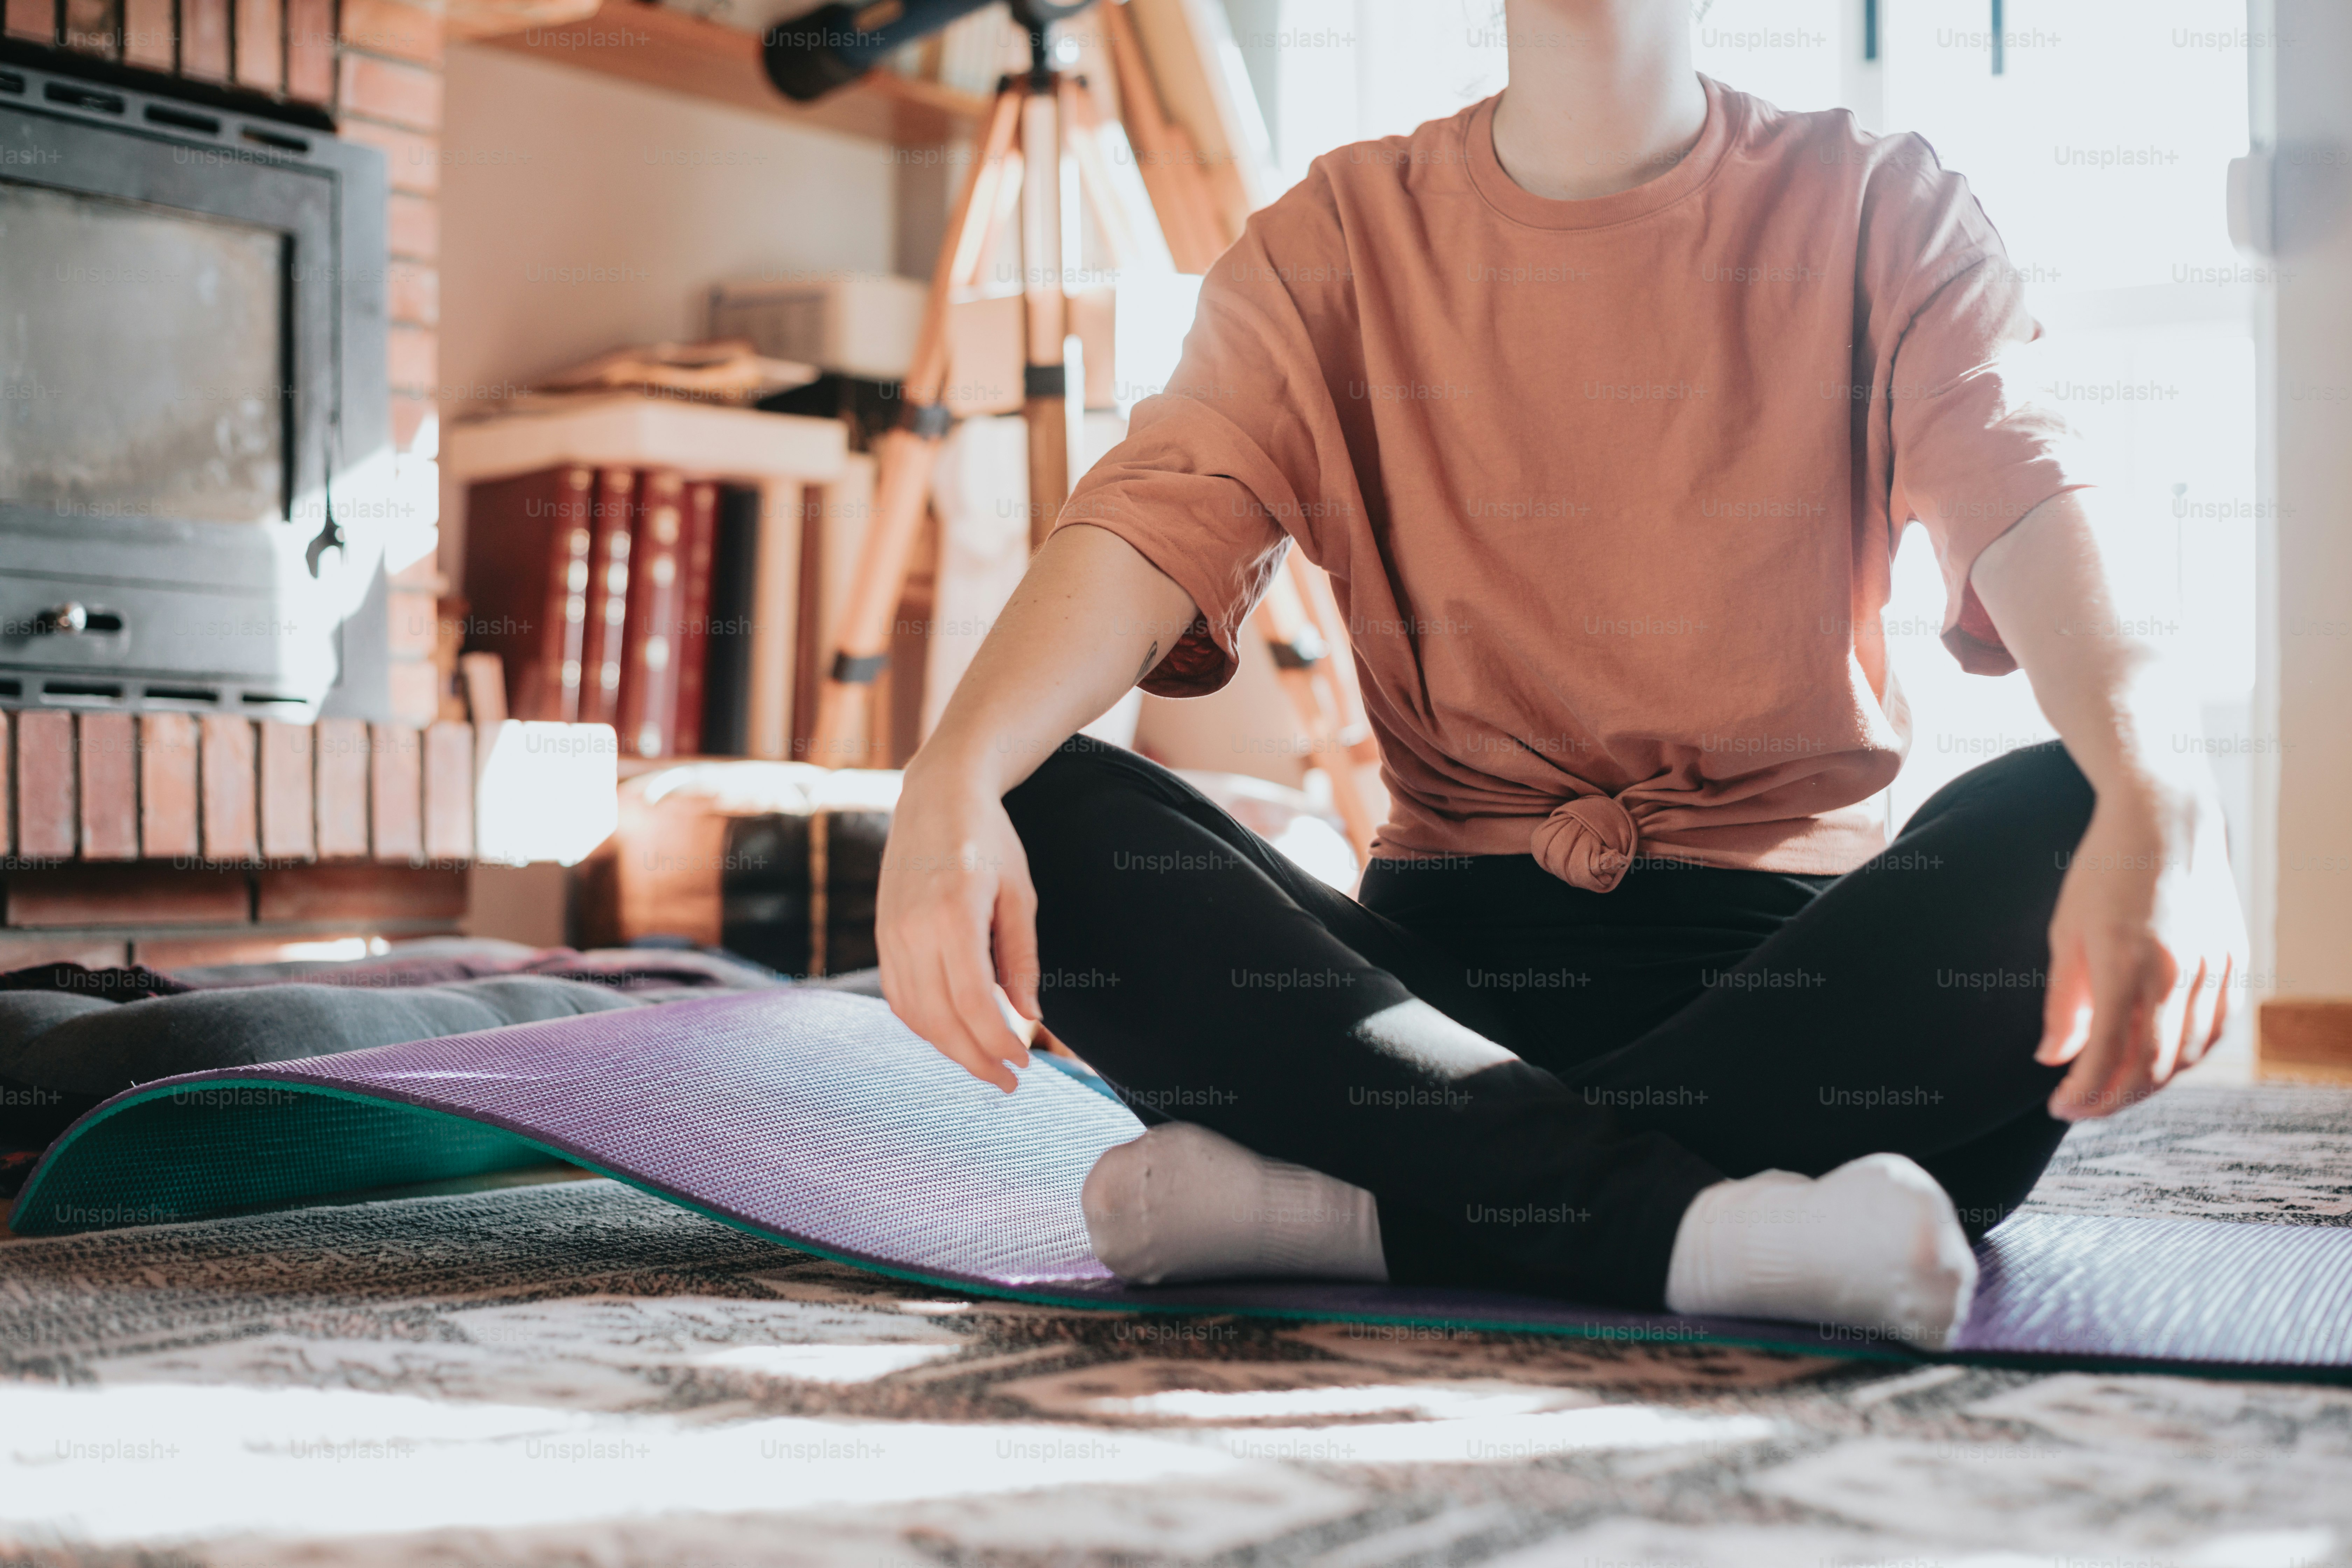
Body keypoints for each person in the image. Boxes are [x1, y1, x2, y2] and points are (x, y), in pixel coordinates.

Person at [870, 0, 2246, 1348]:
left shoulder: (1885, 204)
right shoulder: (1334, 235)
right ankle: (1691, 1221)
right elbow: (1154, 516)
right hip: (1420, 1014)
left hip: (1794, 1011)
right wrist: (951, 779)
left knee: (2083, 807)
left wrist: (2161, 794)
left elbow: (2030, 493)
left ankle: (1390, 1212)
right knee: (1037, 798)